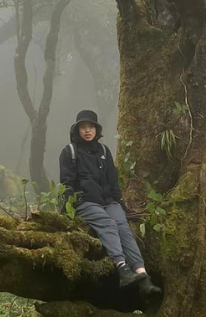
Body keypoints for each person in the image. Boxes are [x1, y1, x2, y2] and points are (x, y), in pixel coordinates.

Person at [59, 109, 160, 298]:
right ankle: (122, 270)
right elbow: (66, 182)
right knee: (108, 224)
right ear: (77, 130)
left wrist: (119, 202)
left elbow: (113, 181)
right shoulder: (70, 152)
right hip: (85, 202)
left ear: (97, 130)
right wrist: (70, 205)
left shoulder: (104, 151)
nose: (87, 131)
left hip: (108, 200)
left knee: (123, 228)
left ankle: (143, 277)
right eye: (83, 127)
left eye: (91, 127)